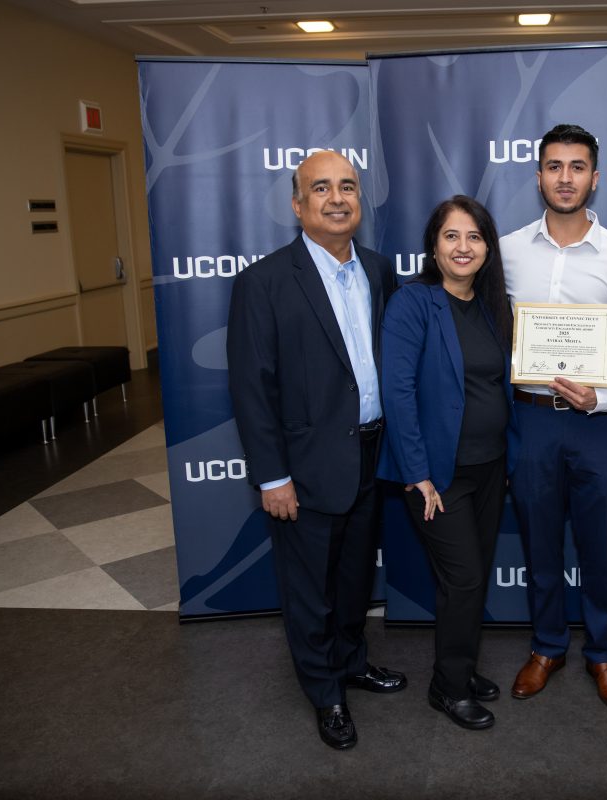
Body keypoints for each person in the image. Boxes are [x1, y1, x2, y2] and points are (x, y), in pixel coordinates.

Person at [226, 150, 405, 751]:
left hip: (371, 454)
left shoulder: (379, 271)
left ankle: (352, 660)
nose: (337, 198)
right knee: (309, 589)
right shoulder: (265, 282)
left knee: (354, 579)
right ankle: (325, 691)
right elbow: (252, 388)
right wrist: (272, 477)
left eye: (348, 187)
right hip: (303, 468)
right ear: (298, 205)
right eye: (321, 188)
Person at [500, 124, 607, 711]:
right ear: (538, 175)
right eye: (554, 166)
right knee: (539, 543)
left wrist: (602, 399)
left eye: (577, 166)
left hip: (598, 424)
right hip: (530, 419)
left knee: (600, 548)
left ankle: (605, 654)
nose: (566, 178)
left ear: (595, 176)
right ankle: (546, 646)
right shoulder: (505, 251)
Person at [377, 195, 515, 730]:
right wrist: (417, 475)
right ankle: (450, 688)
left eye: (475, 237)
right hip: (436, 475)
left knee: (470, 579)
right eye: (451, 236)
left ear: (487, 247)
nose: (464, 247)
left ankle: (458, 666)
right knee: (463, 579)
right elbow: (399, 392)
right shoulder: (413, 304)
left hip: (489, 466)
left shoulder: (489, 304)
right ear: (433, 246)